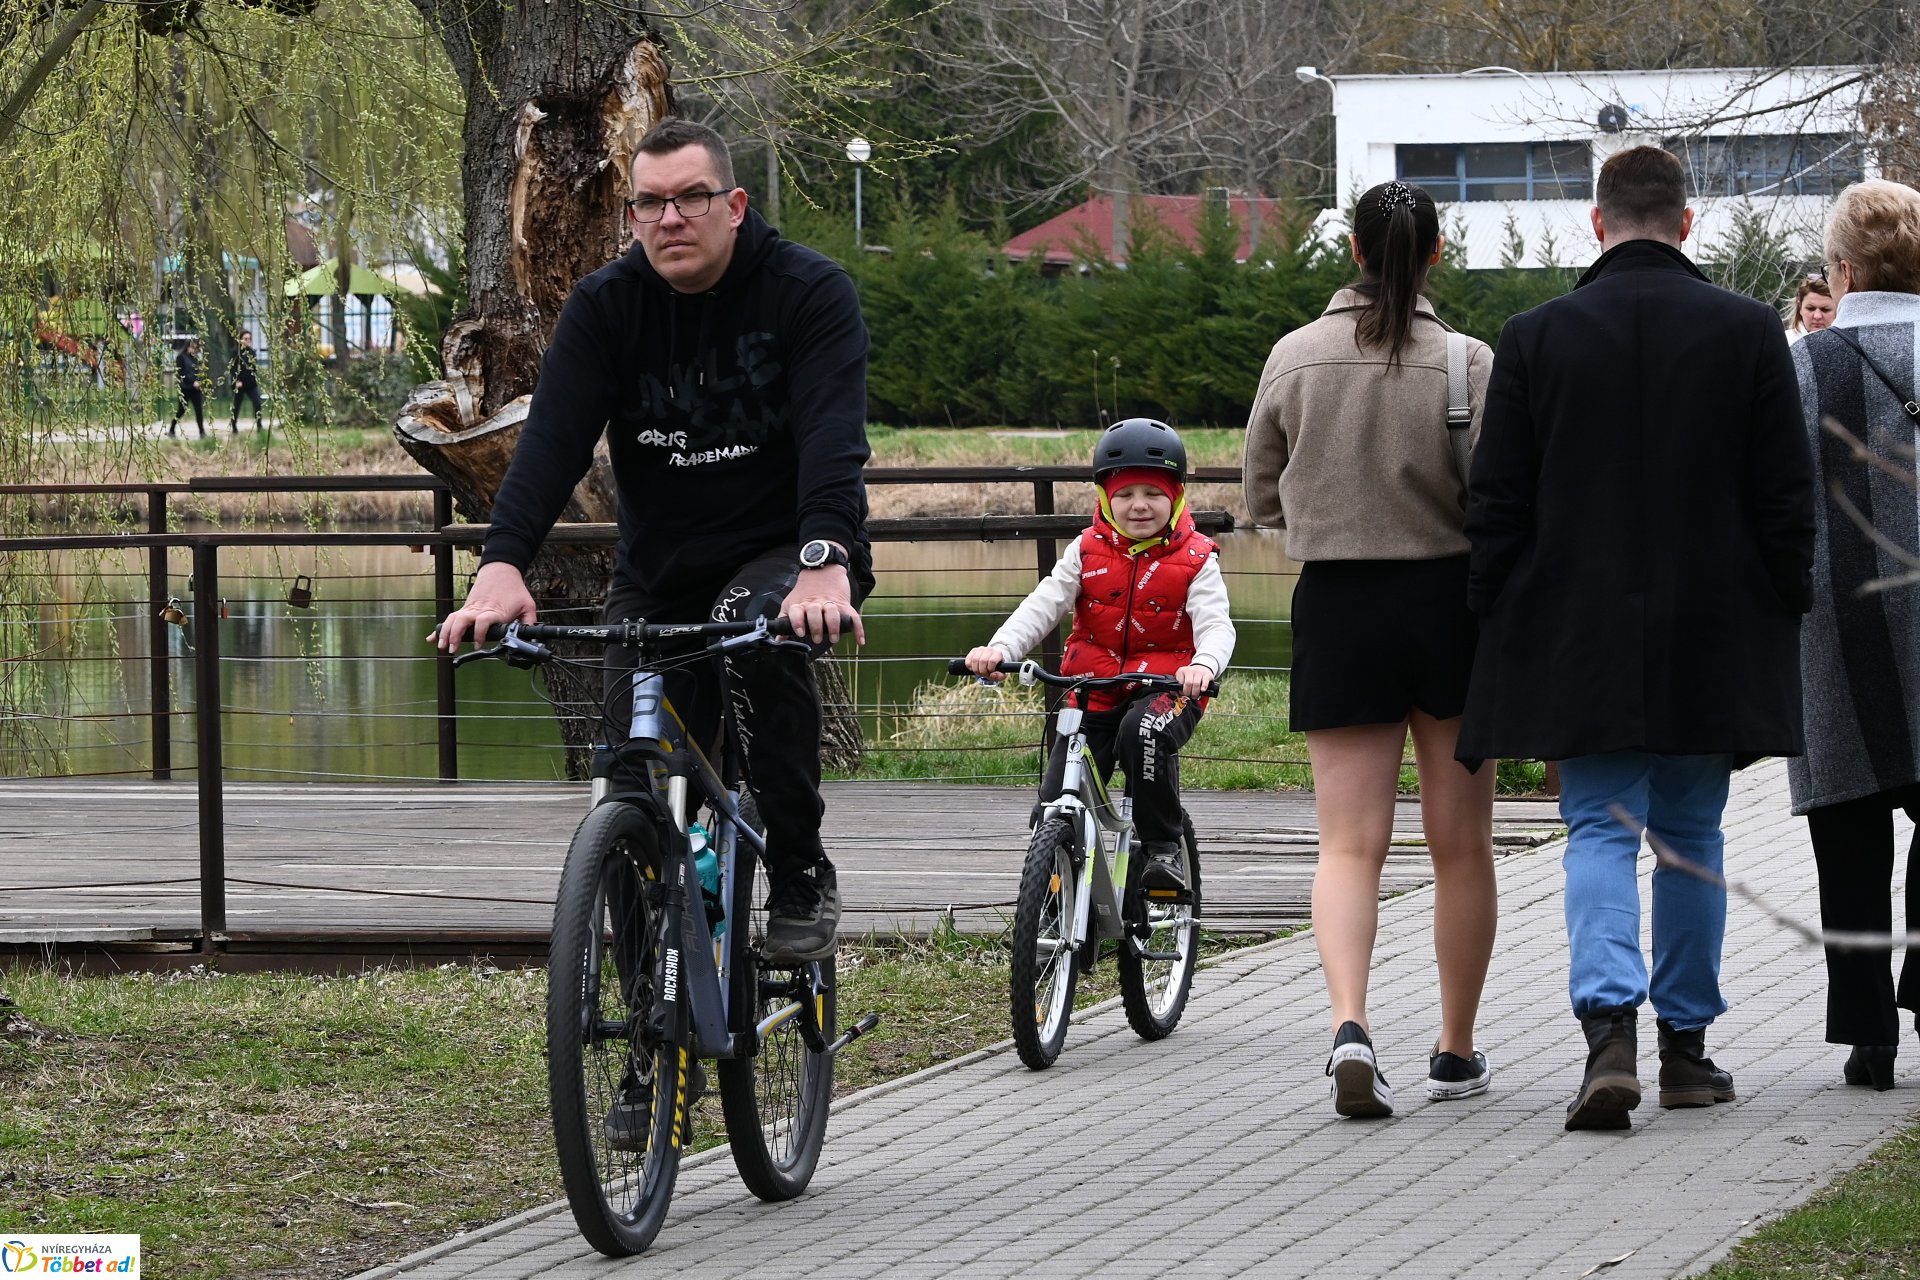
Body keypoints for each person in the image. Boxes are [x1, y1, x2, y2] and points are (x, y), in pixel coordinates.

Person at [436, 116, 872, 965]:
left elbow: (833, 441)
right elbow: (551, 443)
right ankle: (643, 1031)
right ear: (632, 215)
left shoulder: (808, 292)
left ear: (734, 205)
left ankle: (797, 872)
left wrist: (823, 566)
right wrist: (500, 566)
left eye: (691, 199)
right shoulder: (608, 306)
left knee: (765, 639)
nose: (670, 219)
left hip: (790, 555)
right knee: (629, 773)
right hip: (662, 570)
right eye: (650, 204)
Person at [1457, 145, 1815, 1131]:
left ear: (1597, 222)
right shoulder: (1750, 334)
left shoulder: (1536, 338)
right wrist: (1786, 600)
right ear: (1688, 222)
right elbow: (1787, 494)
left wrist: (1497, 612)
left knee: (1598, 830)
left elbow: (1500, 499)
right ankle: (1688, 1051)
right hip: (1717, 625)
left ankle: (1608, 1029)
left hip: (1579, 626)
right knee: (1694, 838)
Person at [1244, 180, 1498, 1118]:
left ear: (1352, 249)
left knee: (1348, 846)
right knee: (1460, 845)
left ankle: (1350, 1023)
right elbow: (1501, 497)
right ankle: (1455, 1048)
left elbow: (1262, 492)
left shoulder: (1293, 357)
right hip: (1449, 607)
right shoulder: (1468, 364)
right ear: (1436, 255)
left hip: (1339, 604)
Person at [964, 418, 1234, 892]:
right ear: (1105, 499)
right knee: (1056, 797)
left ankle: (1163, 849)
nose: (1139, 506)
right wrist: (1000, 648)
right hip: (1092, 688)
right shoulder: (1086, 550)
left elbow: (1216, 624)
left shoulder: (1196, 556)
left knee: (1142, 734)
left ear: (1177, 495)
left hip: (1168, 689)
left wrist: (1203, 666)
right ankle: (1055, 889)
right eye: (1125, 494)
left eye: (1153, 492)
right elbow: (1045, 602)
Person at [1786, 179, 1920, 1092]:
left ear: (1841, 267)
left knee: (1849, 826)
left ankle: (1869, 1033)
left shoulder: (1801, 365)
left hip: (1838, 619)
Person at [168, 338, 205, 438]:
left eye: (196, 348)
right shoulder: (181, 357)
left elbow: (198, 371)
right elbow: (182, 373)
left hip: (195, 389)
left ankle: (202, 432)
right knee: (182, 410)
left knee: (199, 410)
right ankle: (172, 429)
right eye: (192, 347)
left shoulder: (196, 358)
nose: (194, 349)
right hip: (185, 388)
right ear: (188, 346)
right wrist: (193, 382)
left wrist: (199, 381)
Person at [229, 329, 264, 432]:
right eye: (245, 338)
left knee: (257, 403)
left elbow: (253, 368)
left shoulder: (252, 352)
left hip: (251, 384)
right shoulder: (236, 352)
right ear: (240, 340)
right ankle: (234, 425)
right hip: (239, 384)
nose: (248, 340)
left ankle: (259, 425)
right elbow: (232, 368)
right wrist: (236, 380)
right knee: (237, 406)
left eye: (249, 339)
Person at [1786, 275, 1836, 343]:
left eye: (1825, 310)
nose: (1817, 316)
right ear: (1800, 308)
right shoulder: (1785, 342)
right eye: (1810, 308)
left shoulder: (1848, 343)